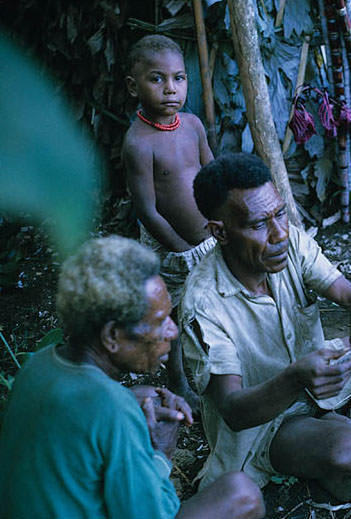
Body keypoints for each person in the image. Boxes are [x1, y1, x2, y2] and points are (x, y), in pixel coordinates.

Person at [179, 153, 351, 502]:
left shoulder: (288, 242)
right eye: (258, 224)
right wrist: (294, 379)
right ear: (220, 232)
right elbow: (234, 412)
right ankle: (345, 442)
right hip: (268, 427)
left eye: (280, 213)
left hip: (322, 379)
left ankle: (348, 427)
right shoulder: (203, 304)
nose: (279, 233)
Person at [0, 236, 264, 519]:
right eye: (160, 321)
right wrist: (160, 455)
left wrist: (125, 401)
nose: (172, 332)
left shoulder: (38, 364)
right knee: (242, 495)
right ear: (112, 336)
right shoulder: (112, 410)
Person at [122, 34, 215, 405]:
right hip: (169, 246)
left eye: (179, 78)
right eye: (157, 78)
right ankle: (177, 379)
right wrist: (181, 249)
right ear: (134, 86)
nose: (170, 89)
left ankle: (219, 364)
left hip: (208, 236)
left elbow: (213, 175)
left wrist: (222, 219)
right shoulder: (139, 142)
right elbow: (146, 209)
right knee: (172, 313)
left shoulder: (192, 125)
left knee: (211, 302)